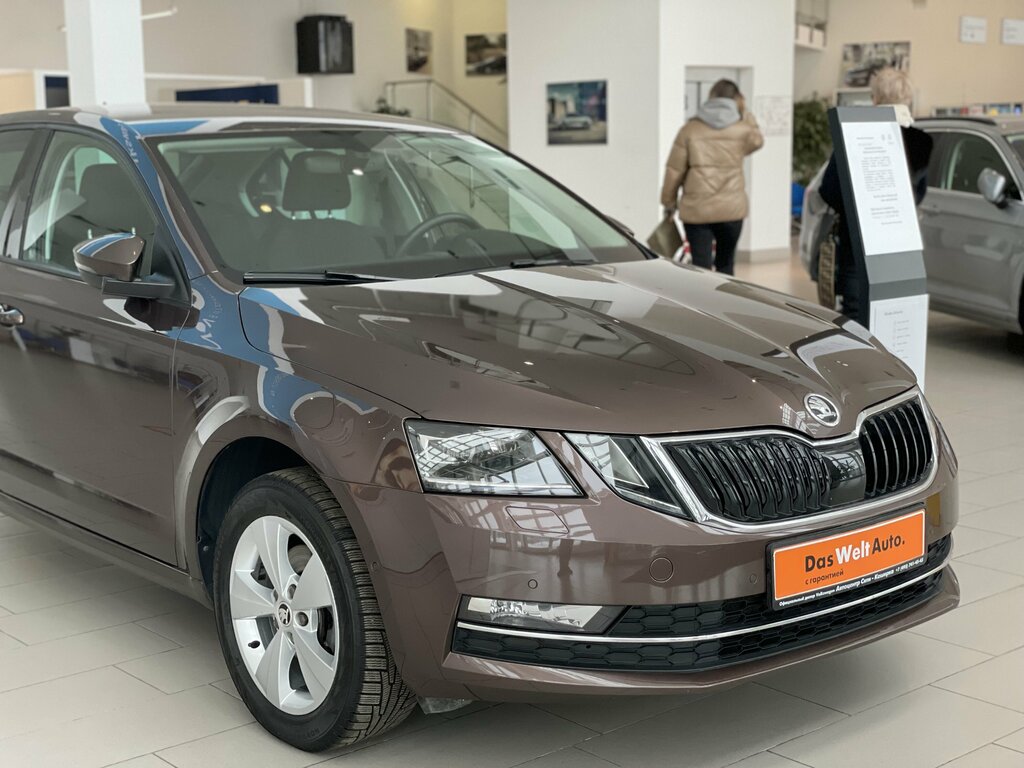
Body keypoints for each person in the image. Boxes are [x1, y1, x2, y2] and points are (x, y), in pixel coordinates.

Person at [818, 67, 933, 321]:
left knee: (855, 317)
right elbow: (919, 195)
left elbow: (828, 189)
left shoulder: (854, 134)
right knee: (894, 317)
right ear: (908, 98)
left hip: (857, 245)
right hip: (901, 245)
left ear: (875, 98)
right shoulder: (922, 142)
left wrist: (854, 210)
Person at [660, 79, 764, 275]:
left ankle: (702, 296)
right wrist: (745, 112)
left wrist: (668, 203)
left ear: (711, 97)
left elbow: (674, 170)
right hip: (731, 209)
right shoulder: (743, 130)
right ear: (737, 99)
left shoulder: (690, 129)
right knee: (726, 264)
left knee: (701, 268)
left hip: (697, 210)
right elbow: (758, 141)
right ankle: (725, 296)